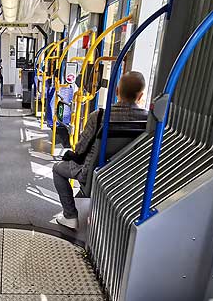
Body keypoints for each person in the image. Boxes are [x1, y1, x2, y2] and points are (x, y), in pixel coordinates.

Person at [53, 71, 148, 229]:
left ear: (117, 91)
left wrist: (71, 155)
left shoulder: (99, 116)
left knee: (57, 169)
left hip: (95, 174)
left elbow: (81, 149)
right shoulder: (148, 121)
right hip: (130, 178)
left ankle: (70, 216)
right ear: (141, 96)